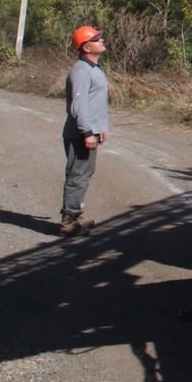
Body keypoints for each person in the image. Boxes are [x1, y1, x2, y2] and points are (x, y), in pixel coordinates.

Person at [61, 25, 109, 236]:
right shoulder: (81, 71)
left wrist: (99, 129)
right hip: (80, 134)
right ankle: (69, 223)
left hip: (88, 131)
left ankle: (75, 216)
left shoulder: (93, 69)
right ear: (87, 47)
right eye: (98, 39)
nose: (102, 41)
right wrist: (87, 132)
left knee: (83, 173)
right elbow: (79, 106)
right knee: (78, 175)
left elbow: (94, 103)